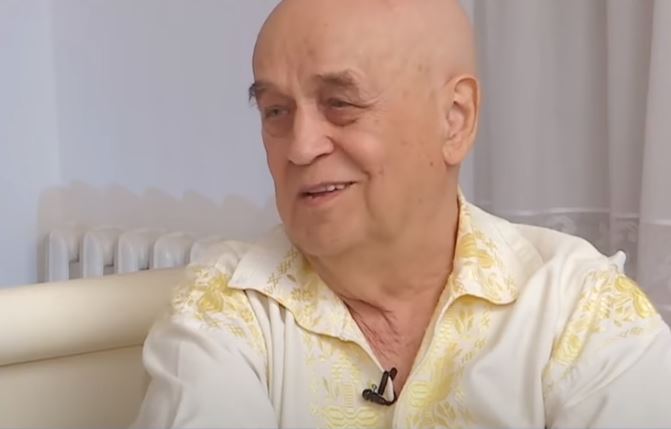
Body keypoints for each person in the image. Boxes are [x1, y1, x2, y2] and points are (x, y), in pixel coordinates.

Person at [131, 0, 671, 427]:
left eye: (340, 103)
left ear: (454, 119)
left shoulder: (579, 309)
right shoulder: (225, 310)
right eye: (276, 110)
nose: (299, 146)